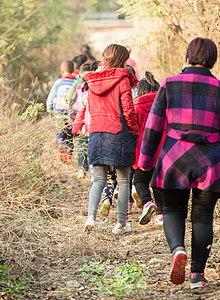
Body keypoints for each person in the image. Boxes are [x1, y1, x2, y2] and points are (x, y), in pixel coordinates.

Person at [138, 37, 220, 288]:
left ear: (187, 57)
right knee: (203, 217)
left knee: (173, 210)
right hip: (210, 161)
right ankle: (197, 275)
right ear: (213, 60)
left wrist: (145, 160)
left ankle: (177, 250)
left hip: (174, 158)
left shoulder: (169, 84)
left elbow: (153, 127)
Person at [81, 44, 139, 234]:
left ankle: (91, 218)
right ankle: (121, 224)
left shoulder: (92, 81)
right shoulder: (122, 79)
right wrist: (135, 130)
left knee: (98, 180)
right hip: (118, 133)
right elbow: (128, 110)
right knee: (123, 181)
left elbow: (90, 108)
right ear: (122, 59)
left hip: (96, 133)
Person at [132, 72, 164, 225]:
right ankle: (161, 214)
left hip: (142, 151)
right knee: (158, 181)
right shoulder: (164, 104)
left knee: (139, 180)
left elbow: (133, 128)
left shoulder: (137, 106)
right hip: (163, 150)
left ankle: (147, 203)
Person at [46, 60, 78, 162]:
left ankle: (61, 149)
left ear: (62, 71)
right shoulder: (76, 82)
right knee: (70, 136)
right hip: (71, 115)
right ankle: (69, 156)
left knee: (60, 134)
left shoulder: (58, 83)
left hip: (59, 114)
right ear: (73, 70)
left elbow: (50, 100)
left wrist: (50, 111)